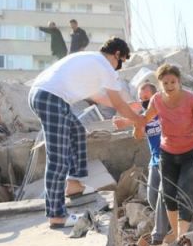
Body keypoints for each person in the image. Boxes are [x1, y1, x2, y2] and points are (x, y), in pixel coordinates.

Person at [28, 37, 144, 228]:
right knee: (57, 158)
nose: (118, 68)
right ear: (117, 54)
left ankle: (73, 184)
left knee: (77, 132)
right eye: (120, 63)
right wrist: (138, 119)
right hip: (51, 98)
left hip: (45, 95)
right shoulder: (104, 66)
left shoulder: (90, 61)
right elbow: (117, 103)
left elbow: (99, 97)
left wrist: (129, 107)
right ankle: (56, 215)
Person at [140, 64, 193, 239]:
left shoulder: (191, 100)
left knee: (185, 193)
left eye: (173, 82)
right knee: (168, 195)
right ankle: (176, 235)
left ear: (179, 81)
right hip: (168, 153)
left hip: (192, 152)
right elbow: (144, 119)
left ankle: (182, 237)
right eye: (165, 83)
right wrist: (130, 123)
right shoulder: (156, 100)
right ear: (160, 84)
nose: (170, 86)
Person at [113, 82, 171, 246]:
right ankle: (168, 226)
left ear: (155, 96)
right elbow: (138, 136)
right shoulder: (144, 115)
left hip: (168, 159)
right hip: (154, 160)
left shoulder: (165, 111)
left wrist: (129, 121)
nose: (144, 101)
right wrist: (135, 123)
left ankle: (161, 235)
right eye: (141, 98)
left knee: (163, 196)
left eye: (147, 98)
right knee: (153, 199)